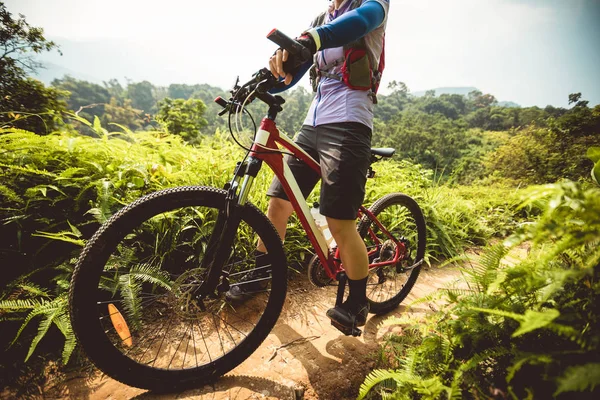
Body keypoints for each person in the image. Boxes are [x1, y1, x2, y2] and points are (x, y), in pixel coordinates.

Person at [227, 0, 389, 334]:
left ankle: (357, 302)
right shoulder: (322, 18)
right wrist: (264, 80)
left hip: (349, 120)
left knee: (339, 219)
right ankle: (261, 275)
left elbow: (360, 21)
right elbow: (291, 77)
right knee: (279, 203)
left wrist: (311, 39)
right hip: (313, 124)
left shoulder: (371, 5)